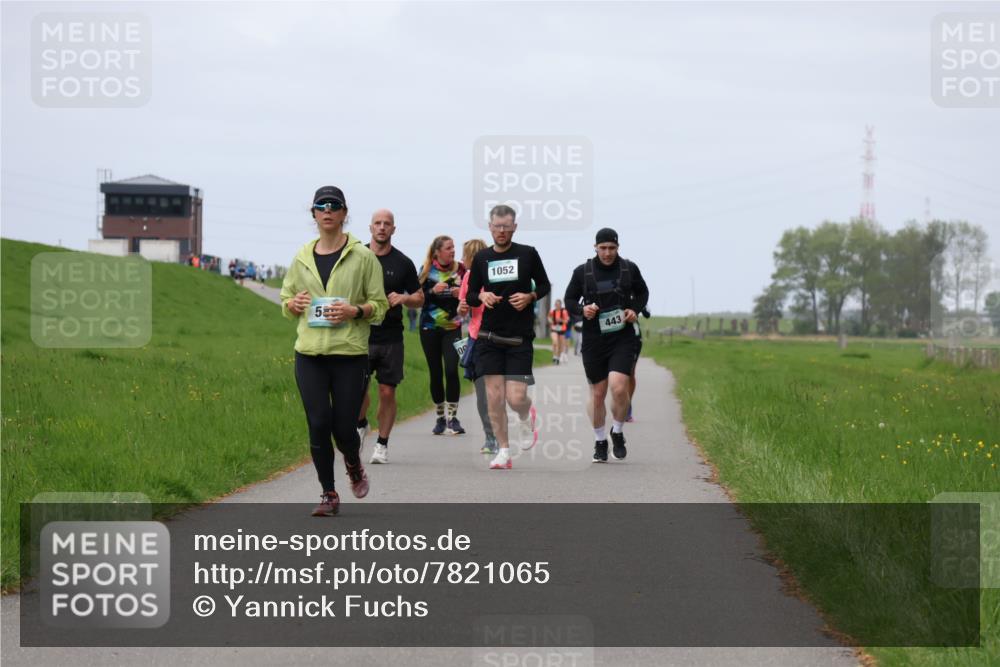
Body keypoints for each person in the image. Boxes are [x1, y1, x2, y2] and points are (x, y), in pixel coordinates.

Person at [279, 185, 388, 516]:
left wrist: (355, 311)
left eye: (334, 206)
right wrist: (294, 304)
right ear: (313, 214)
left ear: (344, 213)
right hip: (309, 353)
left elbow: (380, 306)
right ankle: (328, 493)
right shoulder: (301, 257)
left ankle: (353, 463)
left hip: (349, 354)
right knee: (317, 422)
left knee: (344, 427)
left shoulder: (363, 257)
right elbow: (286, 301)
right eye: (321, 206)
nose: (327, 211)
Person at [463, 204, 550, 470]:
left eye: (506, 226)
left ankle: (525, 414)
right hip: (489, 337)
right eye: (497, 226)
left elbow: (544, 285)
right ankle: (502, 449)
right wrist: (482, 296)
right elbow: (469, 294)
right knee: (494, 397)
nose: (501, 231)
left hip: (519, 338)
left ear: (514, 227)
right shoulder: (482, 259)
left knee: (515, 397)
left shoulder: (528, 254)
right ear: (490, 227)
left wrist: (530, 296)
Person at [564, 228, 649, 463]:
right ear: (595, 248)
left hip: (622, 337)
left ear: (618, 248)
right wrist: (583, 310)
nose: (608, 253)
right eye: (603, 248)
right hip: (594, 339)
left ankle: (618, 431)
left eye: (612, 248)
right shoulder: (582, 272)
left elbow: (642, 292)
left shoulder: (629, 268)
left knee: (619, 386)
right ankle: (600, 440)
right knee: (598, 393)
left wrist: (635, 309)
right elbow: (570, 299)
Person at [358, 209, 423, 465]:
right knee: (356, 389)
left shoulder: (403, 263)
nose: (382, 227)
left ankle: (382, 444)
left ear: (393, 229)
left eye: (387, 224)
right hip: (360, 335)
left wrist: (404, 298)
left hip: (391, 337)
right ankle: (361, 423)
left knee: (387, 391)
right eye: (377, 223)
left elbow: (420, 298)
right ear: (370, 227)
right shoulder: (357, 257)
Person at [418, 236, 466, 435]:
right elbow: (417, 298)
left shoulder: (461, 269)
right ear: (437, 252)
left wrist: (460, 294)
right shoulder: (426, 270)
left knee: (452, 370)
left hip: (452, 327)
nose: (453, 250)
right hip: (429, 328)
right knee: (436, 372)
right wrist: (431, 290)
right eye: (448, 248)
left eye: (454, 247)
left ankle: (453, 418)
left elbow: (471, 292)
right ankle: (440, 418)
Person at [456, 238, 498, 455]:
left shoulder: (496, 275)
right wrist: (462, 308)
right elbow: (462, 308)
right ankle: (490, 436)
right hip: (476, 337)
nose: (462, 259)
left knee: (495, 391)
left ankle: (499, 433)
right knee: (482, 392)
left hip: (497, 336)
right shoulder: (468, 278)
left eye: (465, 255)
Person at [547, 299, 570, 364]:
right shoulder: (552, 311)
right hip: (554, 329)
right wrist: (550, 321)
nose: (557, 306)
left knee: (560, 345)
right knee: (555, 342)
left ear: (560, 305)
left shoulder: (564, 312)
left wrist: (561, 320)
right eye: (556, 304)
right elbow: (548, 317)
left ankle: (558, 357)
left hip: (562, 329)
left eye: (558, 304)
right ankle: (554, 356)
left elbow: (567, 320)